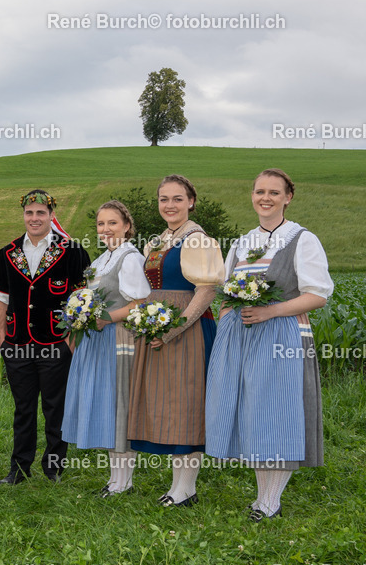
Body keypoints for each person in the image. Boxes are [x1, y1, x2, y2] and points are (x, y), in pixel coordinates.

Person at [205, 169, 332, 521]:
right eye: (260, 191)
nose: (266, 198)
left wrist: (270, 311)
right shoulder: (241, 242)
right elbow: (227, 293)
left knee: (278, 415)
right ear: (252, 195)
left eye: (274, 192)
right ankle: (262, 499)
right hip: (240, 337)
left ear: (288, 197)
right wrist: (228, 324)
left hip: (282, 338)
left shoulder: (302, 239)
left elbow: (317, 295)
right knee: (254, 414)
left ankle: (269, 502)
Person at [127, 175, 226, 507]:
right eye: (163, 199)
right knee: (165, 403)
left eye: (177, 199)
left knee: (185, 403)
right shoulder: (157, 241)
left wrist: (175, 328)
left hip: (189, 330)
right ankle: (177, 486)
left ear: (191, 201)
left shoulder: (198, 240)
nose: (169, 205)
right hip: (157, 326)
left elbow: (207, 290)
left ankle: (185, 489)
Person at [0, 189, 90, 484]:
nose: (34, 218)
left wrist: (71, 340)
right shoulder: (8, 253)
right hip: (17, 342)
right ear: (23, 215)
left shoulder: (72, 250)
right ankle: (19, 469)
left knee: (54, 408)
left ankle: (53, 469)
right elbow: (0, 297)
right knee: (23, 410)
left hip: (56, 343)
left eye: (40, 213)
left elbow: (83, 296)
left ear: (51, 216)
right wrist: (1, 337)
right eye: (29, 213)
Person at [62, 201, 150, 496]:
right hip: (96, 341)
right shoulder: (100, 262)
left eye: (113, 223)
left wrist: (105, 318)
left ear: (126, 226)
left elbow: (141, 304)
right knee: (105, 408)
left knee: (119, 407)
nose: (106, 229)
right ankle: (114, 479)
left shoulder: (130, 258)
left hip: (118, 340)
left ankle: (124, 481)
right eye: (101, 224)